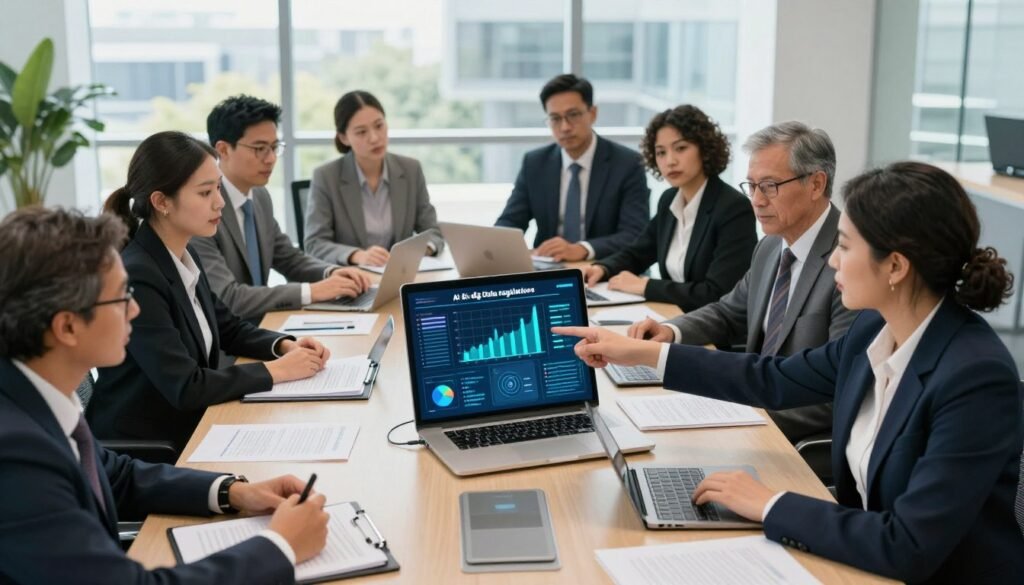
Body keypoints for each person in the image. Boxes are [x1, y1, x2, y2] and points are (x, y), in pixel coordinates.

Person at [555, 162, 1024, 584]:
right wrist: (642, 354)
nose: (833, 260)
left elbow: (909, 545)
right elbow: (775, 378)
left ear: (896, 266)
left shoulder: (975, 378)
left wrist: (770, 504)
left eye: (843, 245)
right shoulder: (873, 330)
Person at [0, 206, 329, 583]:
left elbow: (114, 474)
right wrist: (280, 547)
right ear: (68, 327)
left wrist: (234, 492)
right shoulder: (15, 455)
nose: (136, 309)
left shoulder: (34, 395)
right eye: (122, 297)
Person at [88, 131, 331, 452]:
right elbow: (186, 386)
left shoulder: (182, 254)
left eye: (218, 187)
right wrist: (277, 371)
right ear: (161, 202)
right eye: (205, 193)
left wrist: (284, 345)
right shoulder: (139, 275)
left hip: (192, 424)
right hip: (150, 447)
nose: (220, 201)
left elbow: (228, 327)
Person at [629, 121, 855, 444]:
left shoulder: (847, 263)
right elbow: (728, 311)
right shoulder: (771, 246)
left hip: (793, 443)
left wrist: (746, 416)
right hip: (749, 416)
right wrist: (671, 331)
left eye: (770, 186)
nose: (757, 201)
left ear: (816, 184)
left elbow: (837, 394)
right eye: (751, 186)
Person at [192, 94, 370, 322]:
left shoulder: (259, 196)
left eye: (274, 147)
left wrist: (331, 272)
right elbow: (228, 298)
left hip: (263, 327)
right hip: (226, 344)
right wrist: (312, 291)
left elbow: (288, 258)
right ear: (223, 150)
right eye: (259, 148)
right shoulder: (203, 209)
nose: (270, 159)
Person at [583, 105, 756, 311]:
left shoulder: (733, 208)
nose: (670, 161)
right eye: (661, 152)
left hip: (714, 332)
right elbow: (638, 253)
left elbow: (717, 293)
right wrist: (603, 268)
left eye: (681, 148)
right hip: (673, 315)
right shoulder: (669, 199)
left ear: (705, 148)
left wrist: (646, 286)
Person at [495, 74, 650, 261]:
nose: (565, 127)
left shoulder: (627, 164)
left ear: (592, 114)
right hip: (550, 268)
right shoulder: (535, 163)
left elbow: (635, 234)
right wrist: (494, 244)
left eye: (573, 115)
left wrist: (582, 249)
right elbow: (511, 221)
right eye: (555, 118)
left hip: (606, 268)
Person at [304, 90, 444, 267]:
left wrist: (422, 250)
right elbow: (314, 244)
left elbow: (433, 232)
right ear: (344, 138)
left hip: (401, 278)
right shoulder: (326, 176)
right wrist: (357, 256)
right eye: (361, 132)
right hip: (353, 282)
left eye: (379, 126)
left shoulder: (410, 170)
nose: (375, 138)